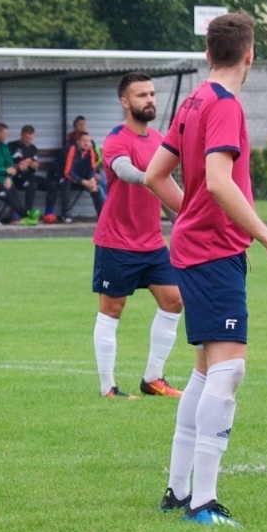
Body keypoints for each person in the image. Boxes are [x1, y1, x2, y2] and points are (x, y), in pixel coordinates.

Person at [143, 13, 267, 528]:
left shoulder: (192, 100)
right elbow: (217, 180)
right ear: (250, 55)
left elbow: (154, 175)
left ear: (209, 53)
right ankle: (202, 503)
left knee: (207, 370)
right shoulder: (225, 106)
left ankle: (178, 489)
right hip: (211, 253)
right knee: (229, 370)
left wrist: (187, 215)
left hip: (198, 247)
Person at [92, 72, 184, 399]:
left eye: (152, 94)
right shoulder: (116, 139)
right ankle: (108, 389)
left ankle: (153, 380)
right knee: (112, 308)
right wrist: (153, 178)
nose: (150, 100)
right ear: (125, 102)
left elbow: (167, 191)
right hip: (116, 242)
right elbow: (124, 171)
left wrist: (184, 220)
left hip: (152, 243)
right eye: (141, 95)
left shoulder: (159, 141)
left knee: (174, 301)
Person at [61, 130, 104, 221]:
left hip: (84, 179)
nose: (86, 143)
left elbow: (91, 169)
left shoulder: (90, 151)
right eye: (84, 141)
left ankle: (101, 216)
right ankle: (66, 214)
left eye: (88, 141)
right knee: (66, 184)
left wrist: (92, 179)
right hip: (72, 179)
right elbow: (68, 172)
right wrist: (84, 182)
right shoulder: (72, 150)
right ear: (78, 142)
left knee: (95, 186)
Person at [8, 125, 42, 223]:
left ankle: (49, 213)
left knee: (51, 183)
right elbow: (5, 164)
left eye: (31, 138)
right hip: (14, 177)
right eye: (26, 138)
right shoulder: (11, 146)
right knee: (31, 185)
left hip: (28, 176)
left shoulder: (33, 148)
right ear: (21, 135)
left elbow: (34, 167)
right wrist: (18, 165)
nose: (28, 140)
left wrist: (33, 165)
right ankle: (26, 213)